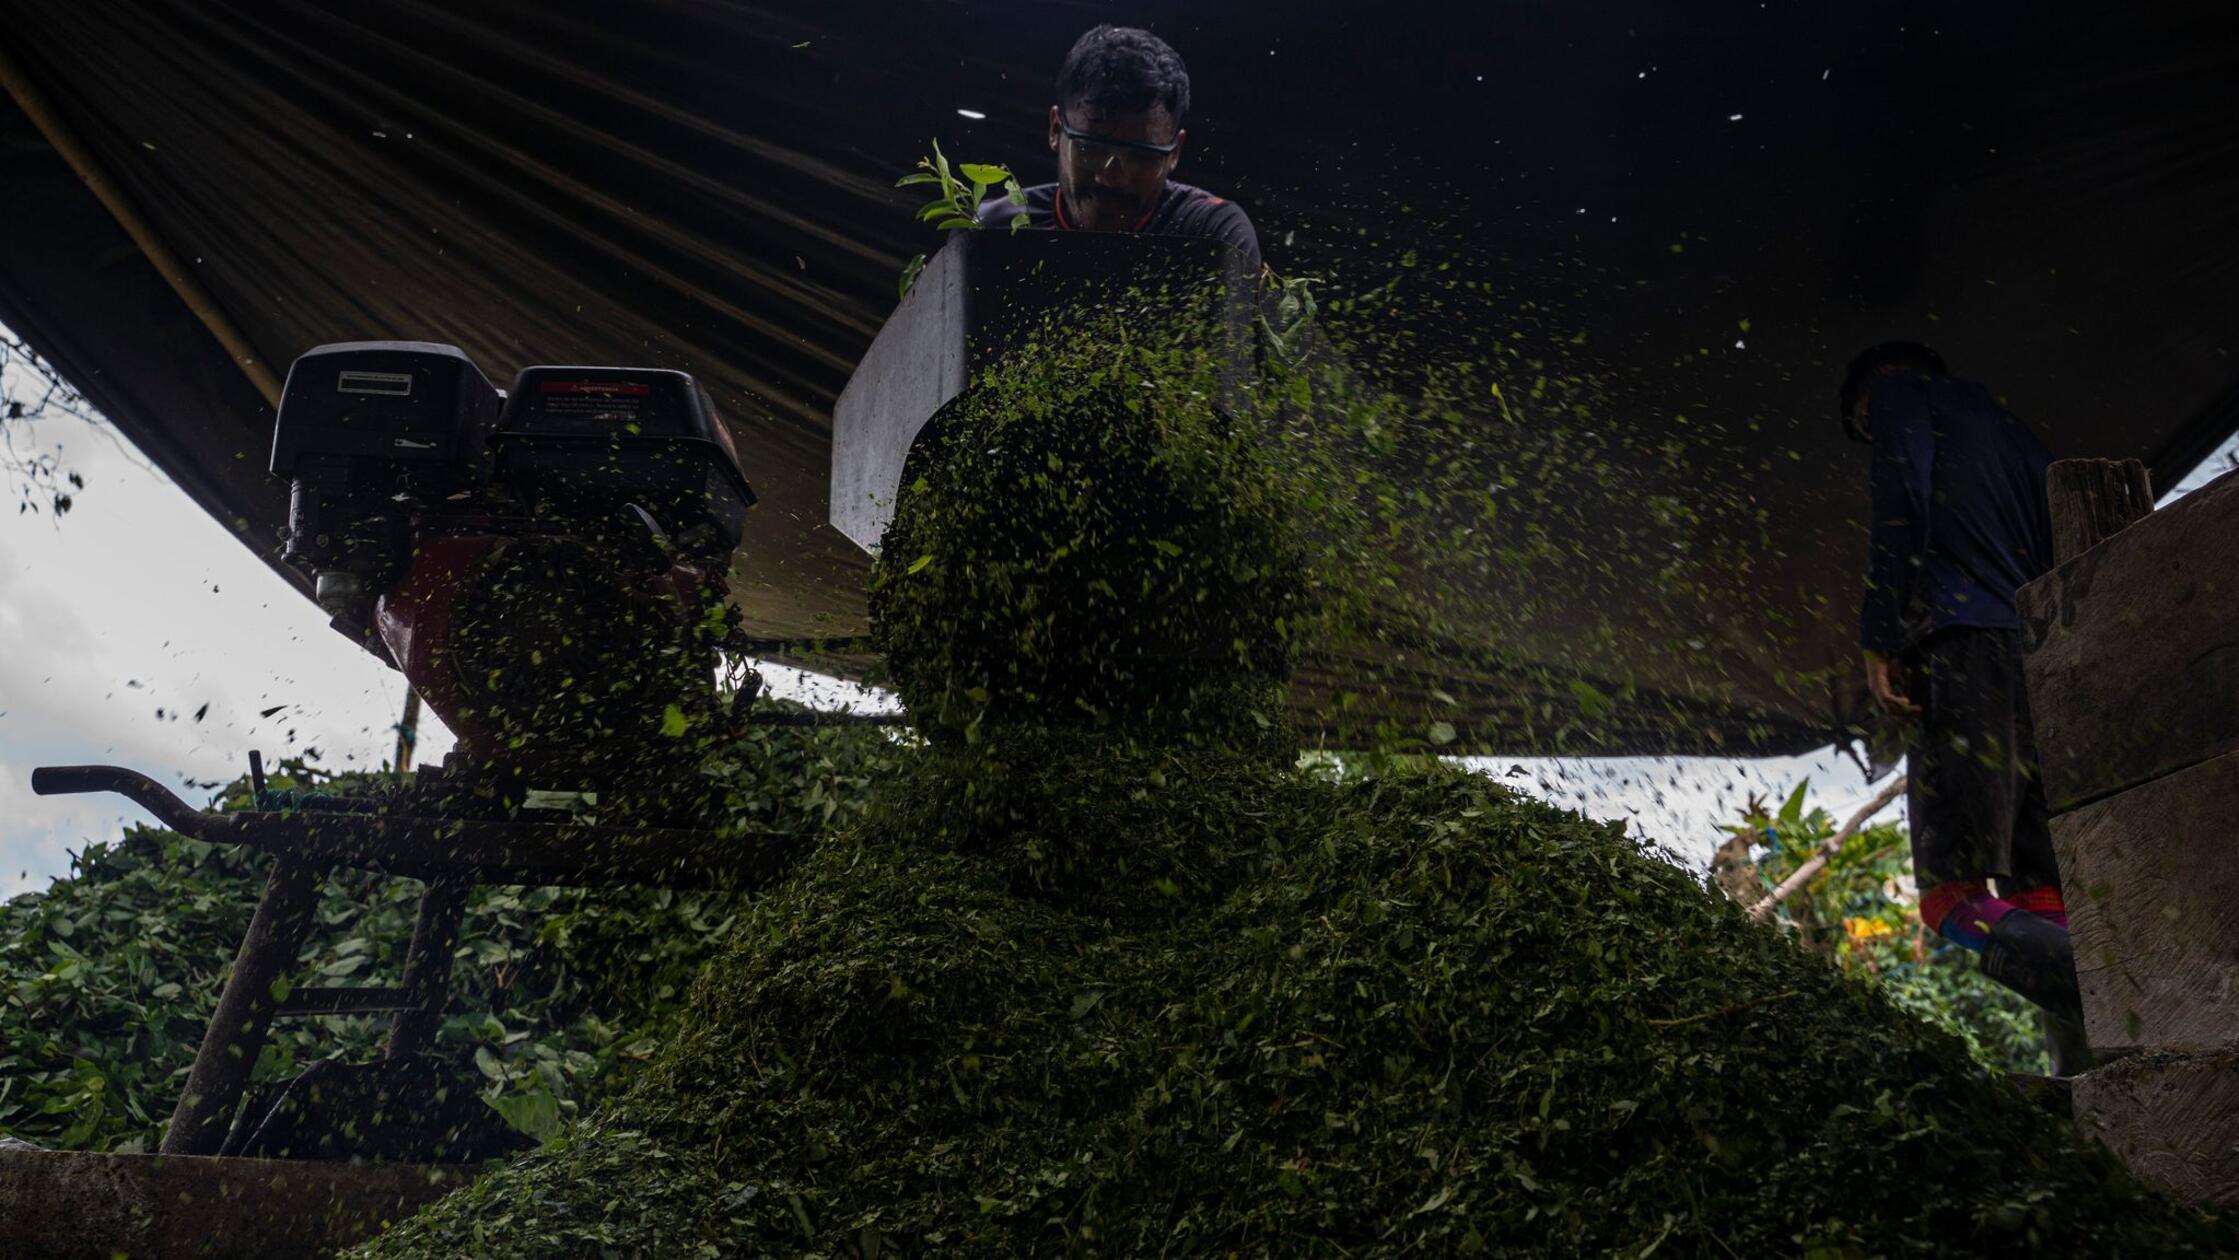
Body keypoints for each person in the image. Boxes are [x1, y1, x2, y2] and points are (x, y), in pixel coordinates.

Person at [1844, 341, 2090, 1063]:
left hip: (1957, 650)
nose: (1872, 435)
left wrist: (1878, 635)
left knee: (1947, 899)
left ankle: (2123, 997)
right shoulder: (2013, 433)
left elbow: (1900, 508)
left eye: (1862, 429)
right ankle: (2092, 1076)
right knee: (2044, 888)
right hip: (2030, 657)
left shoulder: (1896, 398)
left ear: (1867, 400)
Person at [978, 25, 1261, 272]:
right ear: (1055, 131)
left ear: (1175, 153)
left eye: (1141, 158)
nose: (1112, 178)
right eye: (1092, 149)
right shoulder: (993, 230)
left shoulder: (1212, 235)